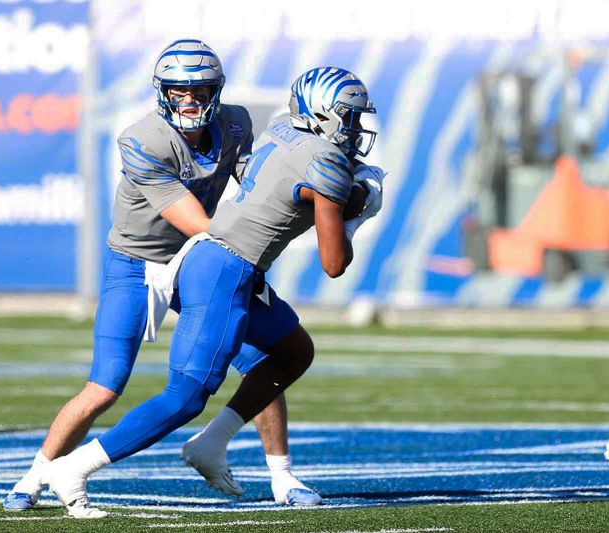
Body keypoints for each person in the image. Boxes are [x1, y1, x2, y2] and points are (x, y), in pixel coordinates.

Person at [42, 66, 385, 518]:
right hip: (224, 269)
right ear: (323, 115)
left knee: (293, 351)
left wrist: (352, 185)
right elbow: (334, 263)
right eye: (350, 117)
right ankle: (74, 467)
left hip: (218, 256)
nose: (356, 127)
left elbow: (296, 179)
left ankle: (213, 440)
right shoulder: (327, 162)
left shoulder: (284, 127)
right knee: (186, 395)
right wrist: (358, 213)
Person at [4, 39, 320, 513]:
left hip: (201, 260)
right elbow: (196, 221)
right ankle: (35, 476)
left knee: (261, 358)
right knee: (104, 386)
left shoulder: (235, 123)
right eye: (179, 91)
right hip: (140, 264)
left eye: (200, 91)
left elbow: (255, 190)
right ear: (162, 92)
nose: (190, 100)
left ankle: (282, 477)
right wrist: (253, 247)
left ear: (217, 91)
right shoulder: (142, 139)